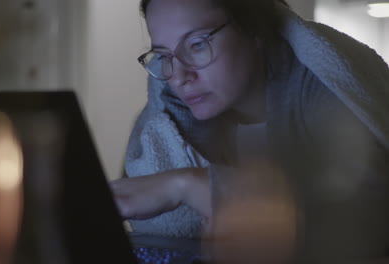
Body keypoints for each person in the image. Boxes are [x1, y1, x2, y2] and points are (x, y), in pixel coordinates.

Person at [110, 0, 389, 262]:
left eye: (196, 44)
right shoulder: (167, 115)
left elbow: (369, 220)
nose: (180, 77)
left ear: (253, 27)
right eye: (163, 55)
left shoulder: (320, 88)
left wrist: (188, 184)